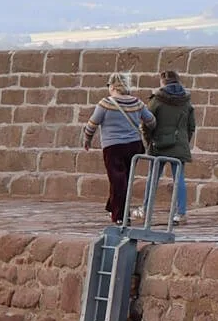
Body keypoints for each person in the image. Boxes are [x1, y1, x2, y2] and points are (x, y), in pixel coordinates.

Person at [82, 74, 155, 223]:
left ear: (113, 86)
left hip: (113, 146)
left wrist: (87, 139)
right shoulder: (137, 102)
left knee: (117, 180)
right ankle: (113, 207)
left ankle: (119, 216)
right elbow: (151, 121)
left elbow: (92, 124)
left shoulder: (105, 104)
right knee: (124, 179)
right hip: (134, 145)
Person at [147, 68, 196, 223]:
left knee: (153, 178)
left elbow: (147, 122)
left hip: (159, 144)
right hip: (179, 143)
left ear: (163, 82)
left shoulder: (157, 100)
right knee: (179, 179)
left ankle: (146, 209)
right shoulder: (186, 100)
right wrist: (183, 141)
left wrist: (148, 141)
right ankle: (181, 213)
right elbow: (191, 125)